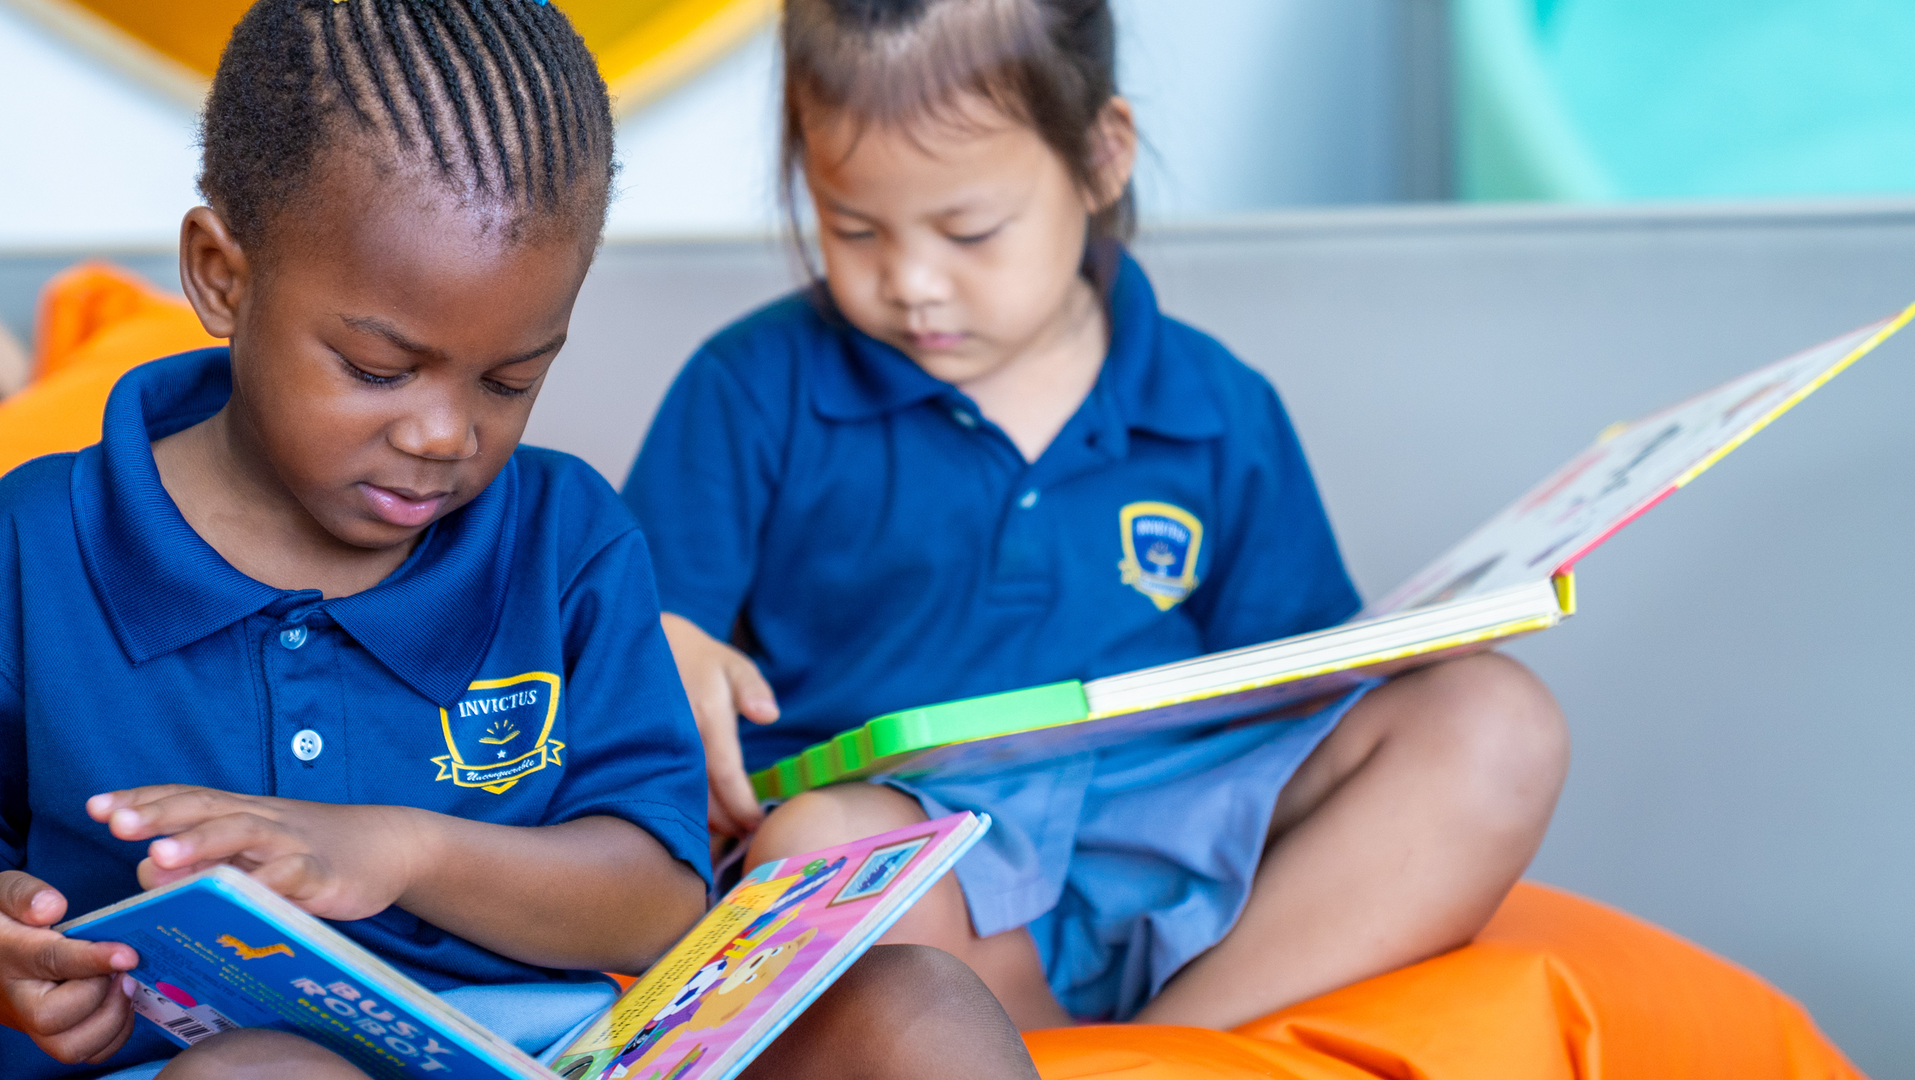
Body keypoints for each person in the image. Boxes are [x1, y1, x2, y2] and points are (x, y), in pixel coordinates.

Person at [0, 2, 1036, 1079]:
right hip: (192, 1064)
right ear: (220, 276)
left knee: (915, 1007)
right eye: (376, 368)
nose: (445, 433)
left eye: (513, 380)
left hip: (549, 1052)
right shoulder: (34, 550)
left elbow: (656, 902)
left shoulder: (566, 542)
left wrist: (400, 852)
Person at [622, 0, 1572, 1032]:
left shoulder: (1215, 407)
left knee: (1496, 723)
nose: (910, 282)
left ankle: (1177, 1046)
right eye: (852, 227)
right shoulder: (751, 389)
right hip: (938, 871)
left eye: (969, 230)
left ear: (1100, 156)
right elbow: (631, 647)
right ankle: (1067, 1040)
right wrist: (670, 648)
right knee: (807, 853)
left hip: (1187, 839)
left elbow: (1299, 689)